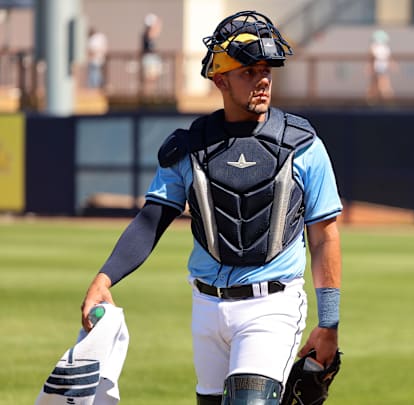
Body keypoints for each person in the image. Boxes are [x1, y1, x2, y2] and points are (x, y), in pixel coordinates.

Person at [80, 10, 343, 405]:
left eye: (266, 69)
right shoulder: (188, 147)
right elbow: (152, 219)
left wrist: (330, 322)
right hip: (206, 306)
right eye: (248, 71)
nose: (263, 80)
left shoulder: (303, 144)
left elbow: (324, 235)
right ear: (220, 79)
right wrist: (105, 278)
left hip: (272, 306)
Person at [367, 29, 394, 102]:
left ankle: (385, 98)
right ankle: (373, 98)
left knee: (383, 82)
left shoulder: (384, 48)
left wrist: (392, 64)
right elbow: (371, 57)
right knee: (376, 82)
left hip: (382, 67)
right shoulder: (375, 47)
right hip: (377, 67)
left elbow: (388, 58)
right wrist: (369, 67)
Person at [141, 13, 163, 94]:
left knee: (153, 77)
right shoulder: (146, 34)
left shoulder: (148, 34)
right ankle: (148, 93)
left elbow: (156, 32)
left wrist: (158, 24)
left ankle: (151, 92)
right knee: (149, 78)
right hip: (149, 59)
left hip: (151, 58)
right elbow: (153, 33)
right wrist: (157, 24)